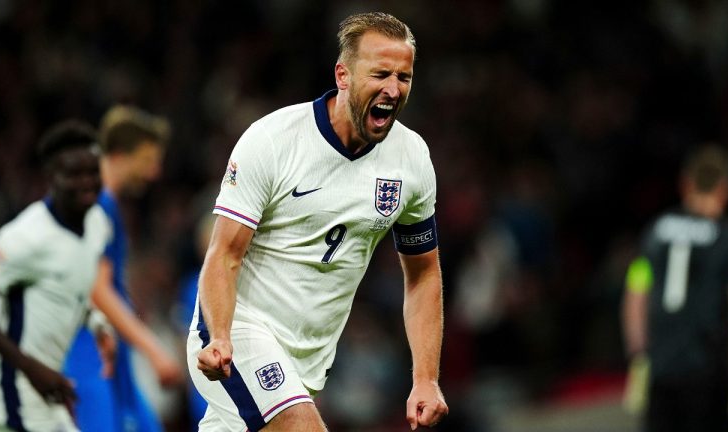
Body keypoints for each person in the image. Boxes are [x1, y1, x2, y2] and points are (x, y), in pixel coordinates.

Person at [187, 11, 449, 431]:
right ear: (343, 75)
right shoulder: (274, 141)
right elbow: (224, 254)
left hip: (307, 363)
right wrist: (220, 335)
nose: (393, 89)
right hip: (239, 336)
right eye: (380, 74)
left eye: (404, 77)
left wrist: (425, 379)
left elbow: (422, 273)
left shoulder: (412, 159)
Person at [63, 105, 183, 432]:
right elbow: (97, 289)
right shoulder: (97, 204)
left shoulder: (107, 204)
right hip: (87, 351)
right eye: (147, 160)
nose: (154, 172)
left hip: (109, 351)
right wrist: (154, 349)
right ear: (119, 155)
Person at [0, 120, 110, 431]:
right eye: (74, 174)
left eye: (92, 172)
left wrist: (97, 324)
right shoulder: (25, 237)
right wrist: (30, 368)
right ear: (51, 176)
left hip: (44, 391)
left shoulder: (97, 224)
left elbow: (70, 289)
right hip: (4, 394)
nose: (86, 182)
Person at [621, 144, 728, 432]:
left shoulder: (655, 231)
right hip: (708, 370)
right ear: (724, 188)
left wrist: (638, 354)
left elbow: (636, 291)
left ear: (686, 183)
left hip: (661, 368)